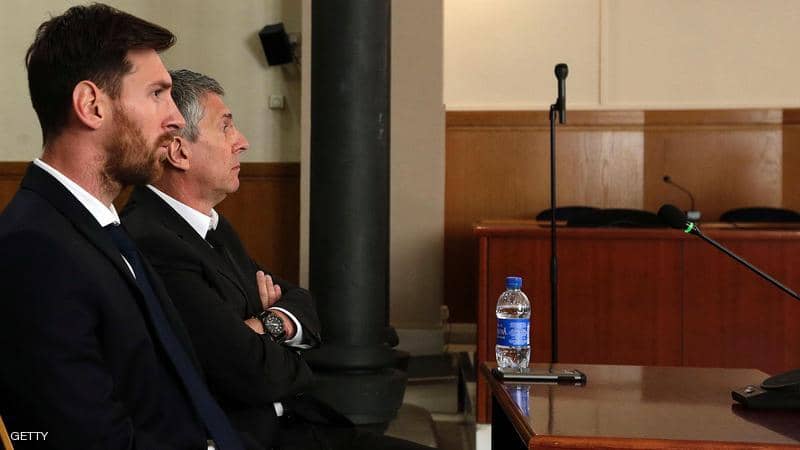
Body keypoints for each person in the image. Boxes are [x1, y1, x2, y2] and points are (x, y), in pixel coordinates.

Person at [121, 69, 434, 450]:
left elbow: (301, 301)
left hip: (302, 424)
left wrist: (265, 323)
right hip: (256, 439)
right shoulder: (154, 240)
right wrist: (274, 334)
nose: (242, 142)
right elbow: (252, 373)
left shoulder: (212, 224)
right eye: (226, 127)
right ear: (178, 151)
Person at [0, 5, 252, 450]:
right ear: (91, 105)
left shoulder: (102, 226)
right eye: (157, 94)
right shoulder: (34, 250)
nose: (176, 118)